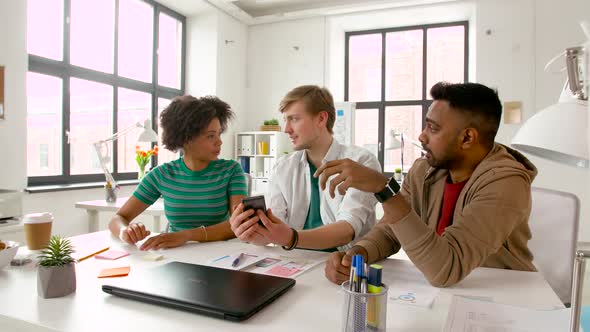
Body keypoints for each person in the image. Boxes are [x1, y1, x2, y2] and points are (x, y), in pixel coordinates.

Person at [321, 82, 538, 287]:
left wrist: (384, 189)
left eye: (433, 128)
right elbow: (390, 231)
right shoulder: (424, 169)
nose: (422, 135)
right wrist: (357, 255)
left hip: (503, 296)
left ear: (467, 138)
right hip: (442, 293)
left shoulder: (506, 182)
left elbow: (447, 269)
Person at [230, 85, 381, 251]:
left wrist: (291, 238)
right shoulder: (282, 167)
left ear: (321, 119)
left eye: (294, 119)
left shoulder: (362, 162)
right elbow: (275, 229)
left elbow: (348, 229)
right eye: (285, 120)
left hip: (346, 265)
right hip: (297, 262)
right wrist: (252, 233)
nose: (286, 129)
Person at [108, 95, 248, 250]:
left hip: (220, 255)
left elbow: (238, 224)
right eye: (210, 136)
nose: (219, 141)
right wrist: (124, 231)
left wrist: (186, 235)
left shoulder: (231, 171)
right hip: (175, 254)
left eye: (219, 134)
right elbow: (118, 218)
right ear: (186, 138)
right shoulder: (161, 175)